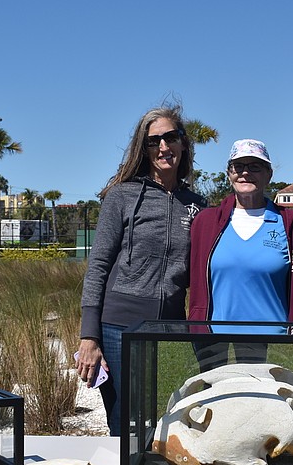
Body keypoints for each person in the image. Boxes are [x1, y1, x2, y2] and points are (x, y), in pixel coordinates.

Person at [77, 105, 206, 436]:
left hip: (171, 329)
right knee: (126, 424)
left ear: (183, 143)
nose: (164, 147)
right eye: (154, 141)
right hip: (119, 328)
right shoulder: (121, 196)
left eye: (171, 138)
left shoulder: (197, 205)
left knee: (168, 422)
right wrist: (89, 336)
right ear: (144, 149)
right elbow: (99, 266)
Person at [188, 139, 293, 371]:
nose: (245, 173)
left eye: (255, 167)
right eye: (238, 166)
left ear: (268, 174)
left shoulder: (289, 222)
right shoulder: (206, 222)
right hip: (212, 334)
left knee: (258, 403)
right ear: (229, 173)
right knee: (213, 401)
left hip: (270, 337)